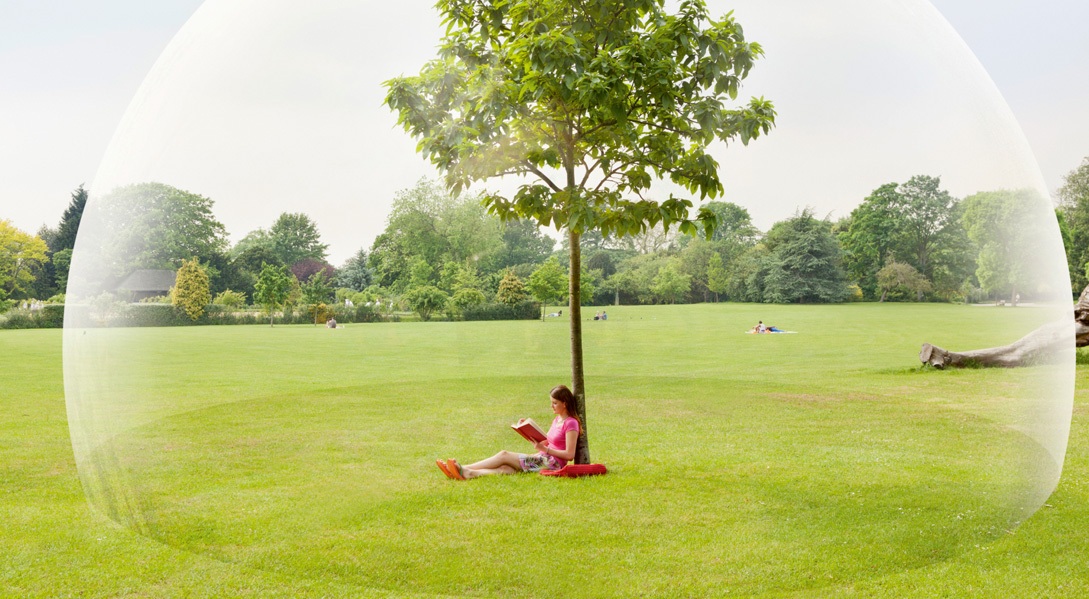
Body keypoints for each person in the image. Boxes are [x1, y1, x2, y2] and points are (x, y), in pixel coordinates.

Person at [437, 385, 582, 480]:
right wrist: (527, 429)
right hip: (542, 457)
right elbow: (551, 441)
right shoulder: (557, 420)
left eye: (555, 403)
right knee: (506, 469)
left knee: (504, 454)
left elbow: (569, 455)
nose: (551, 406)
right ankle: (469, 473)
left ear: (565, 403)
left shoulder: (571, 423)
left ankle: (462, 468)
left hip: (552, 464)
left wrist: (545, 449)